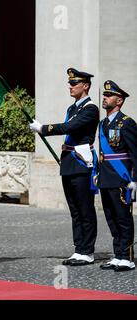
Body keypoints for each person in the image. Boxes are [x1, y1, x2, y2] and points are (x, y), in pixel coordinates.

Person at [30, 68, 99, 266]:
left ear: (85, 86)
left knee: (85, 208)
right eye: (70, 83)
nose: (70, 86)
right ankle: (79, 249)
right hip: (69, 161)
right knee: (75, 210)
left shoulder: (90, 109)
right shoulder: (72, 108)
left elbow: (71, 127)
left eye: (74, 83)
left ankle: (88, 251)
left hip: (81, 162)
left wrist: (43, 128)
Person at [97, 80, 136, 272]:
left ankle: (127, 257)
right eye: (104, 95)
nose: (104, 98)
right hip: (105, 177)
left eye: (109, 96)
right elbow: (102, 153)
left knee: (123, 218)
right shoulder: (102, 123)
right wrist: (96, 174)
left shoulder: (127, 123)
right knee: (111, 218)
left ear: (119, 100)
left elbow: (135, 153)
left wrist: (135, 179)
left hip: (121, 178)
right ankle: (118, 254)